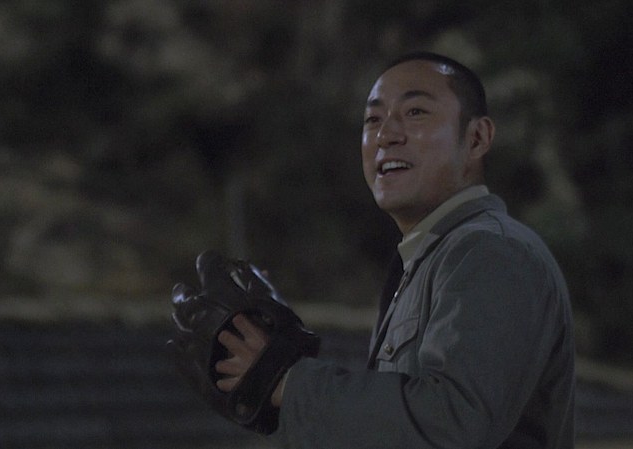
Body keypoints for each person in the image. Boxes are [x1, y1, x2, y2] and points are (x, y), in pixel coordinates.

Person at [214, 51, 576, 448]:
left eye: (415, 112)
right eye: (373, 119)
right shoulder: (428, 259)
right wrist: (274, 391)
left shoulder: (491, 252)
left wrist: (290, 383)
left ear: (477, 138)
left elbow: (450, 424)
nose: (386, 135)